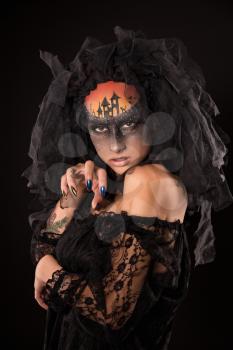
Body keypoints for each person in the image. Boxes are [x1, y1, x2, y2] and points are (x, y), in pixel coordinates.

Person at [21, 26, 233, 350]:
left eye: (129, 123)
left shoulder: (152, 182)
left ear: (154, 119)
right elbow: (44, 243)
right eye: (101, 128)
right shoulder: (109, 188)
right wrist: (73, 194)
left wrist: (46, 270)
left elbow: (111, 315)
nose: (116, 143)